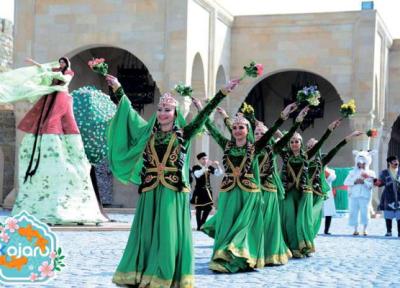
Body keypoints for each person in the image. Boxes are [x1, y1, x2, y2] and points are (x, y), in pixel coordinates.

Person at [106, 73, 239, 287]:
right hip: (150, 188)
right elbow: (130, 116)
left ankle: (165, 275)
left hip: (172, 189)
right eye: (159, 110)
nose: (162, 113)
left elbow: (203, 116)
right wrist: (118, 89)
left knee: (168, 233)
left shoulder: (183, 134)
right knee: (146, 234)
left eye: (167, 110)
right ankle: (143, 273)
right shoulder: (149, 133)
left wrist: (222, 93)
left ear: (175, 112)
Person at [0, 57, 107, 225]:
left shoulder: (67, 74)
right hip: (52, 101)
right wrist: (36, 65)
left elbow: (64, 79)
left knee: (57, 126)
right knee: (47, 125)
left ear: (67, 65)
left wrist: (52, 78)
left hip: (61, 100)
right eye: (61, 63)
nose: (62, 65)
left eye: (63, 63)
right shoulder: (55, 76)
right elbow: (46, 71)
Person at [306, 129, 363, 237]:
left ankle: (325, 230)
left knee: (327, 212)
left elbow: (336, 149)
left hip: (325, 193)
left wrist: (350, 136)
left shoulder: (329, 171)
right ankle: (311, 230)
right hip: (310, 191)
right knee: (312, 212)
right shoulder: (307, 162)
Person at [344, 150, 376, 236]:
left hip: (365, 196)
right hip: (354, 196)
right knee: (353, 212)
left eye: (362, 162)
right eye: (359, 162)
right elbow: (345, 182)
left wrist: (364, 182)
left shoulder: (371, 173)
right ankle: (355, 229)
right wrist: (354, 182)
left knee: (364, 212)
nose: (360, 164)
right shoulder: (352, 172)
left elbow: (372, 185)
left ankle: (365, 229)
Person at [191, 152, 222, 231]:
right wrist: (205, 167)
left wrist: (217, 165)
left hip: (208, 191)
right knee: (199, 208)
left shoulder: (209, 167)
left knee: (208, 208)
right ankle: (199, 226)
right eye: (203, 159)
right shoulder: (196, 167)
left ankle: (202, 224)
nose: (205, 160)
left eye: (206, 158)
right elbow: (197, 174)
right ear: (199, 160)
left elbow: (219, 173)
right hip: (199, 191)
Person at [376, 156, 400, 237]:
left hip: (399, 197)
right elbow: (380, 183)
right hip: (388, 197)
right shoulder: (384, 172)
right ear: (389, 163)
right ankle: (389, 231)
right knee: (388, 215)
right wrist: (376, 182)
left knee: (399, 215)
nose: (396, 163)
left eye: (397, 161)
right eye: (394, 162)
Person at [323, 166, 337, 234]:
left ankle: (326, 230)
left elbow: (332, 177)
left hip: (328, 193)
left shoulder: (331, 171)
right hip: (317, 192)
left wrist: (325, 172)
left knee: (328, 212)